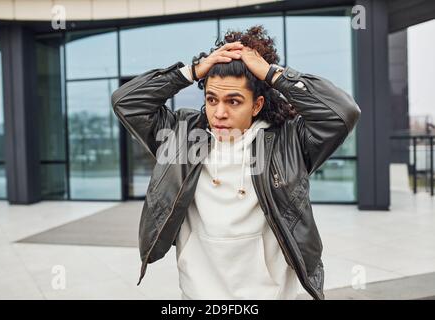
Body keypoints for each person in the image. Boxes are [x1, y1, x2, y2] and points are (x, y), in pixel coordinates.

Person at [111, 25, 361, 300]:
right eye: (211, 99)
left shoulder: (288, 142)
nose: (219, 113)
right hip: (198, 295)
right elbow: (126, 101)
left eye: (234, 101)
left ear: (256, 105)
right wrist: (192, 71)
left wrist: (272, 74)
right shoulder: (181, 136)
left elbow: (342, 112)